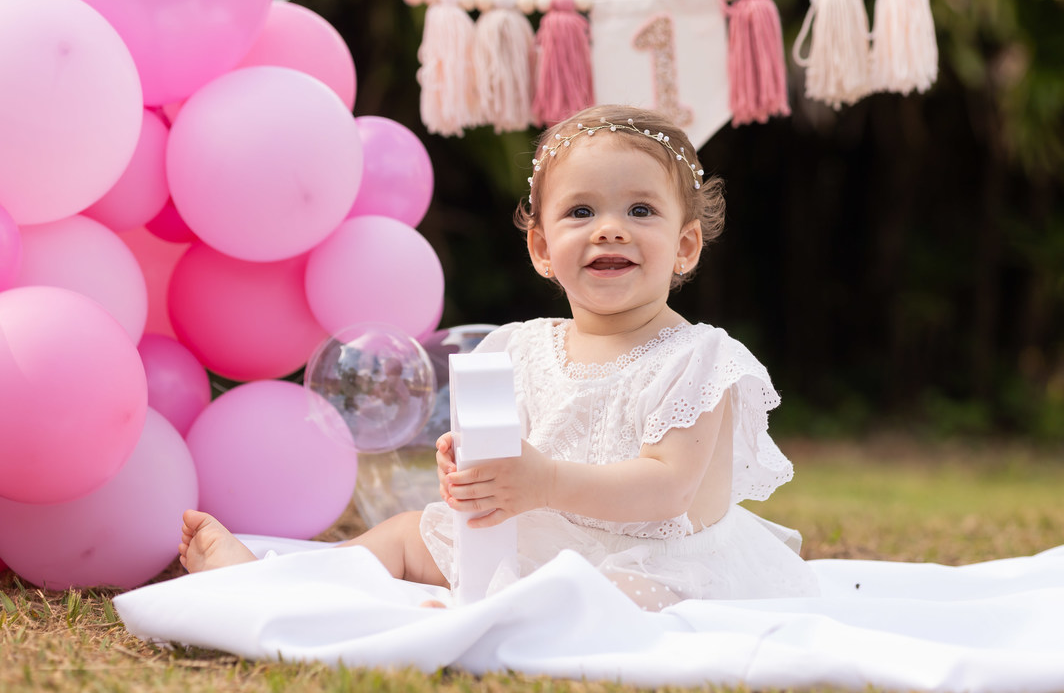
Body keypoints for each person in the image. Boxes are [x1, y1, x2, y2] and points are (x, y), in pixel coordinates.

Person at [179, 103, 820, 610]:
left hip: (657, 563)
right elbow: (510, 456)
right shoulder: (521, 348)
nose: (610, 227)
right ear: (543, 249)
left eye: (641, 209)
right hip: (543, 542)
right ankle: (273, 587)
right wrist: (473, 473)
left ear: (684, 247)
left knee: (613, 602)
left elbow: (668, 487)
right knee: (407, 535)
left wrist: (542, 481)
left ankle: (494, 616)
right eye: (581, 211)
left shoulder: (698, 357)